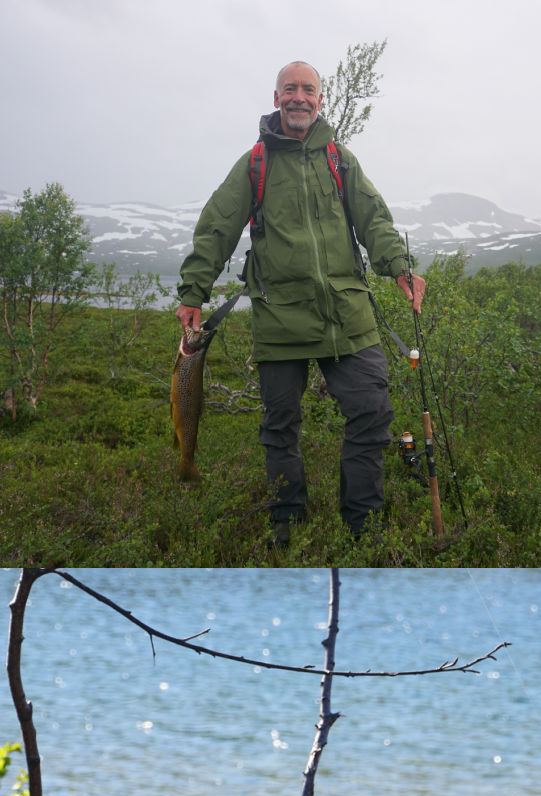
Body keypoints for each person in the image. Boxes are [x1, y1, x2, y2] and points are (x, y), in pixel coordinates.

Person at [176, 60, 425, 547]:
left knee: (372, 413)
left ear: (320, 99)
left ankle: (362, 523)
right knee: (280, 426)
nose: (298, 97)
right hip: (279, 316)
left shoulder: (339, 157)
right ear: (275, 99)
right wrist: (192, 293)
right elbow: (217, 228)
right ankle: (286, 519)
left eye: (307, 89)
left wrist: (398, 266)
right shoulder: (254, 163)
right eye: (289, 89)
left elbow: (373, 218)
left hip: (346, 314)